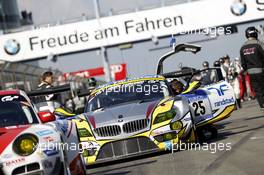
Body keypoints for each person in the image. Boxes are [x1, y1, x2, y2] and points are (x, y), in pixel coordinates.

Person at [240, 26, 264, 111]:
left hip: (251, 73)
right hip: (261, 70)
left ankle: (262, 105)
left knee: (257, 90)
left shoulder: (242, 47)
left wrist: (246, 71)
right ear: (255, 33)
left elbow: (243, 63)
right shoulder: (259, 43)